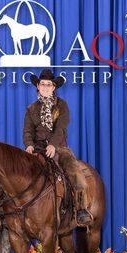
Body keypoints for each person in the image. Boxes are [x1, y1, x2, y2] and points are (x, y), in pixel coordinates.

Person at [23, 69, 92, 226]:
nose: (46, 87)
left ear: (54, 87)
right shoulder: (31, 109)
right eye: (43, 84)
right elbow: (27, 131)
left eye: (49, 85)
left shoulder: (62, 105)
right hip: (37, 149)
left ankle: (81, 209)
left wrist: (53, 145)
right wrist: (29, 145)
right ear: (38, 87)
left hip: (59, 147)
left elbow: (61, 128)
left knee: (75, 173)